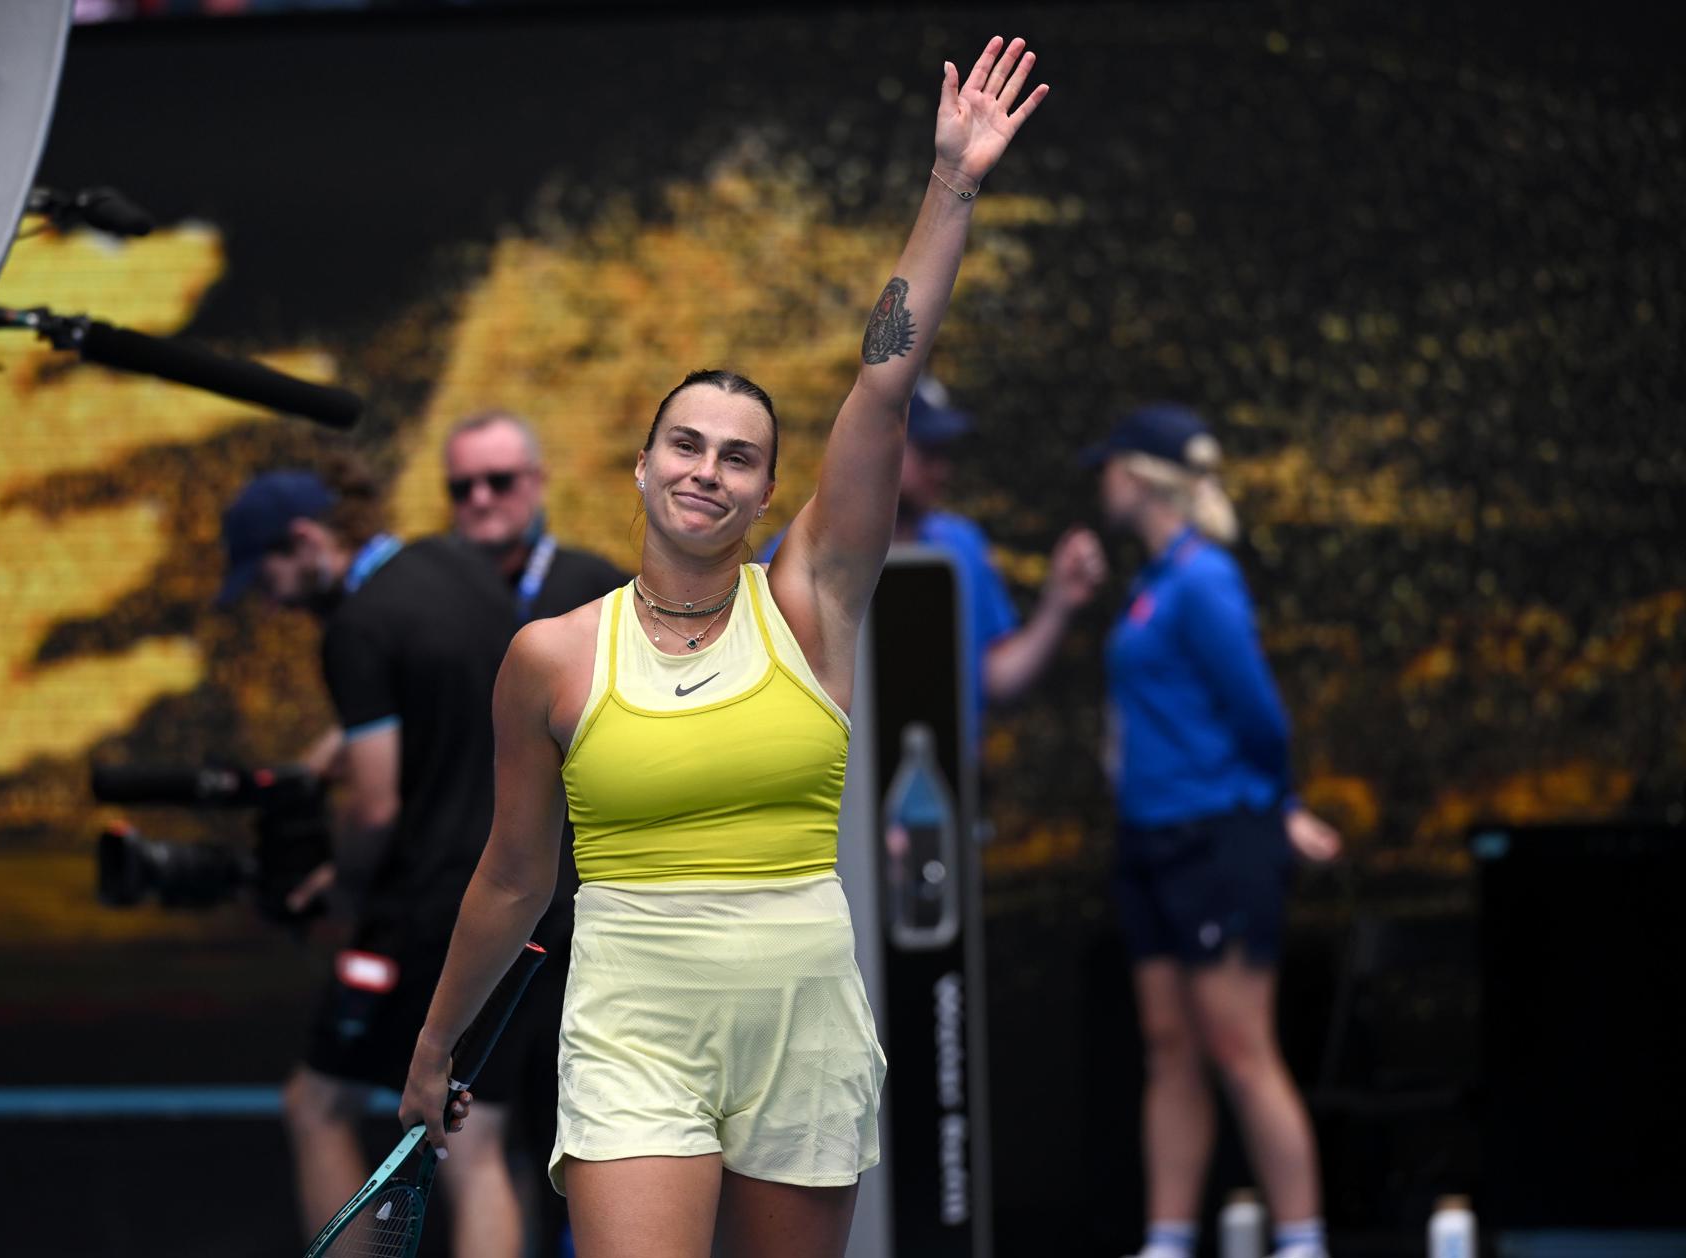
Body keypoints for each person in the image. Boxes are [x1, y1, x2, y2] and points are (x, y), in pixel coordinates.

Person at [396, 35, 1051, 1258]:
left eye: (739, 455)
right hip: (631, 1022)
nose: (708, 469)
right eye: (685, 444)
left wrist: (951, 185)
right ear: (640, 468)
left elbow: (883, 388)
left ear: (766, 496)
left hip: (801, 1019)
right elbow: (512, 876)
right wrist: (436, 1048)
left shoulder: (810, 601)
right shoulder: (551, 657)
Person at [217, 438, 623, 1256]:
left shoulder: (357, 630)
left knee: (319, 1106)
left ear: (304, 541)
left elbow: (376, 803)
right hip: (537, 895)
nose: (270, 601)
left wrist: (341, 888)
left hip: (432, 910)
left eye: (266, 577)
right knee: (484, 1144)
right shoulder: (461, 570)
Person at [1048, 404, 1343, 1258]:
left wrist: (1277, 805)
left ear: (1137, 477)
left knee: (1239, 1047)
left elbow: (1260, 714)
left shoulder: (1204, 579)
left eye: (1109, 467)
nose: (1101, 481)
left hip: (1218, 839)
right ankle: (1169, 1240)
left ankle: (1301, 1239)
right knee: (1169, 1045)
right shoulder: (1152, 583)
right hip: (1149, 842)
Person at [760, 373, 1107, 749]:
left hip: (945, 789)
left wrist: (1057, 604)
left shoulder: (961, 547)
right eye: (927, 452)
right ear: (872, 445)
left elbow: (992, 679)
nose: (942, 470)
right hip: (838, 795)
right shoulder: (800, 550)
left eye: (947, 454)